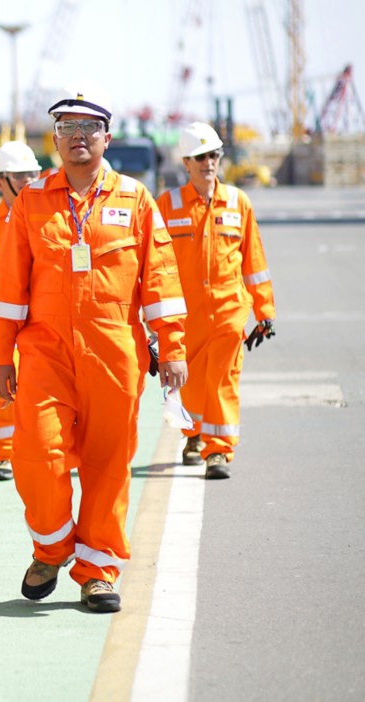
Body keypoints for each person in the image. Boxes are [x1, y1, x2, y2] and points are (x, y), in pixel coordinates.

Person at [0, 84, 189, 613]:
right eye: (68, 130)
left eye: (88, 129)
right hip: (45, 354)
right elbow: (8, 287)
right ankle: (51, 548)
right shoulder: (31, 202)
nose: (78, 139)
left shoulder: (135, 199)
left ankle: (97, 569)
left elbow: (160, 279)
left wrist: (172, 349)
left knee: (107, 463)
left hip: (113, 353)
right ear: (55, 139)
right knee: (37, 456)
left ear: (107, 137)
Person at [158, 122, 276, 480]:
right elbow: (154, 264)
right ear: (186, 162)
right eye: (200, 157)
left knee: (222, 378)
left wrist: (265, 311)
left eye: (213, 155)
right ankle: (193, 435)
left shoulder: (239, 202)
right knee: (188, 382)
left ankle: (219, 451)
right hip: (185, 314)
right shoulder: (168, 204)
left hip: (229, 310)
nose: (208, 162)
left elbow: (254, 261)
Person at [0, 141, 44, 481]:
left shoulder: (46, 214)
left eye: (32, 173)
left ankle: (34, 449)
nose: (28, 180)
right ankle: (6, 455)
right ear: (0, 181)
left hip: (39, 315)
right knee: (2, 387)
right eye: (19, 175)